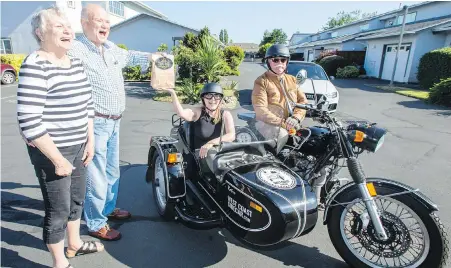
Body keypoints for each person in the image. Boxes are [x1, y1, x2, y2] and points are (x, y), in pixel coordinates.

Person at [17, 6, 103, 268]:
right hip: (52, 151)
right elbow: (29, 122)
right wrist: (57, 159)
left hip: (79, 145)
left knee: (77, 199)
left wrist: (90, 139)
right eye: (58, 26)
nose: (67, 30)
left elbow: (87, 104)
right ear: (40, 33)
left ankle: (74, 243)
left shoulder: (74, 62)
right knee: (58, 210)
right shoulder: (36, 65)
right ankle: (59, 263)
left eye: (68, 25)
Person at [67, 4, 152, 241]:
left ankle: (106, 208)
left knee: (112, 171)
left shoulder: (111, 48)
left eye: (107, 22)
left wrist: (158, 59)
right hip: (94, 124)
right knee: (96, 176)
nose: (105, 25)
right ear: (84, 24)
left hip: (115, 122)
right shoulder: (76, 49)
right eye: (99, 21)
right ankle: (95, 222)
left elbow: (133, 57)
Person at [251, 44, 308, 152]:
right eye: (275, 60)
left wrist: (296, 117)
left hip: (292, 123)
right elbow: (261, 110)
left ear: (287, 62)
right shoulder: (261, 81)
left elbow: (302, 101)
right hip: (268, 124)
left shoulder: (292, 79)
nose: (280, 63)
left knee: (310, 137)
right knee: (282, 135)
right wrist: (283, 123)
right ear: (268, 61)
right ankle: (274, 164)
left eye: (283, 60)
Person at [159, 83, 236, 158]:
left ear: (220, 99)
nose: (213, 99)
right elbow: (181, 113)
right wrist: (173, 93)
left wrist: (211, 143)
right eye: (209, 96)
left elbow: (231, 135)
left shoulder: (225, 114)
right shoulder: (198, 112)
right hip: (199, 157)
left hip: (219, 154)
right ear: (203, 98)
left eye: (217, 96)